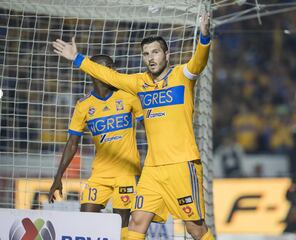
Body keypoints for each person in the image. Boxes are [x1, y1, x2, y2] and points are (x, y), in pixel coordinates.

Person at [52, 12, 214, 240]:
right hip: (152, 169)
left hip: (181, 164)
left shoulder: (182, 76)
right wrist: (77, 58)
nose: (151, 58)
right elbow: (107, 75)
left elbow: (199, 60)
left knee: (194, 228)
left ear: (167, 54)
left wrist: (205, 36)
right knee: (137, 221)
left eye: (156, 52)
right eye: (146, 54)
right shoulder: (140, 83)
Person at [48, 54, 144, 239]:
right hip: (100, 174)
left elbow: (150, 127)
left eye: (113, 67)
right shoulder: (84, 105)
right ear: (94, 71)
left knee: (122, 223)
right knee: (86, 218)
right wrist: (58, 177)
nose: (113, 71)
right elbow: (72, 143)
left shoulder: (127, 96)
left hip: (126, 173)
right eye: (108, 67)